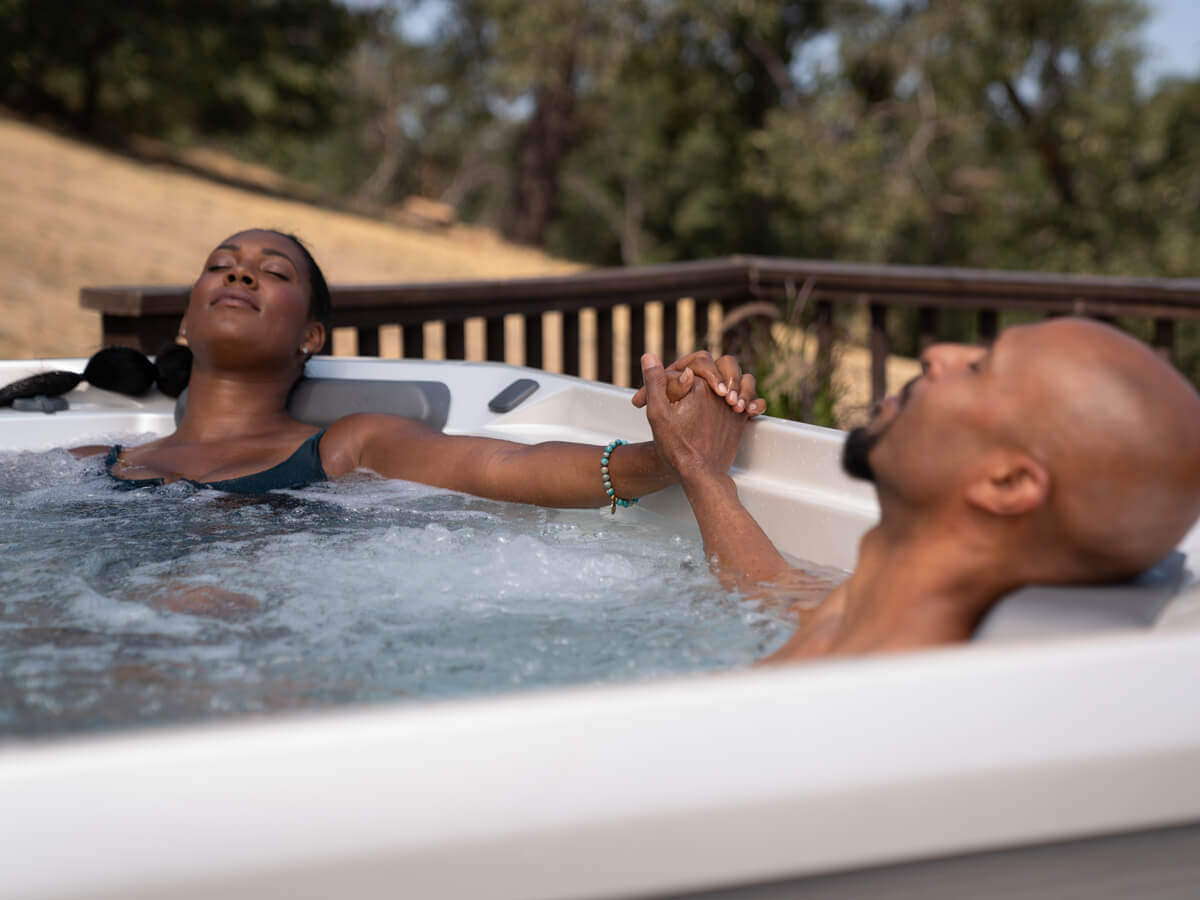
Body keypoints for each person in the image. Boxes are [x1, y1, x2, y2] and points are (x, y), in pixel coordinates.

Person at [70, 228, 763, 507]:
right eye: (221, 266)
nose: (240, 274)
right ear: (186, 321)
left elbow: (505, 466)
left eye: (272, 272)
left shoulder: (349, 444)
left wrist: (668, 457)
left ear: (312, 336)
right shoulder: (86, 460)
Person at [640, 317, 1200, 660]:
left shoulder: (849, 704)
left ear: (1006, 483)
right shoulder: (864, 614)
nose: (938, 355)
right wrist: (700, 467)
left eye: (980, 370)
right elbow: (777, 590)